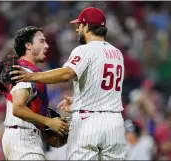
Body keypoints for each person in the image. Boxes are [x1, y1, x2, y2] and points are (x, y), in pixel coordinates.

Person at [11, 7, 127, 160]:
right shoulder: (117, 53)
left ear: (86, 26)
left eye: (79, 25)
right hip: (115, 124)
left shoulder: (84, 50)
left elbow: (67, 73)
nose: (77, 29)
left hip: (89, 124)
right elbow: (105, 88)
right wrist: (80, 100)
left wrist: (31, 76)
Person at [2, 26, 69, 160]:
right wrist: (48, 121)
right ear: (28, 46)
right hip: (23, 138)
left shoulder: (26, 71)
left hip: (22, 138)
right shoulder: (24, 72)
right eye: (42, 41)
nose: (47, 45)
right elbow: (18, 108)